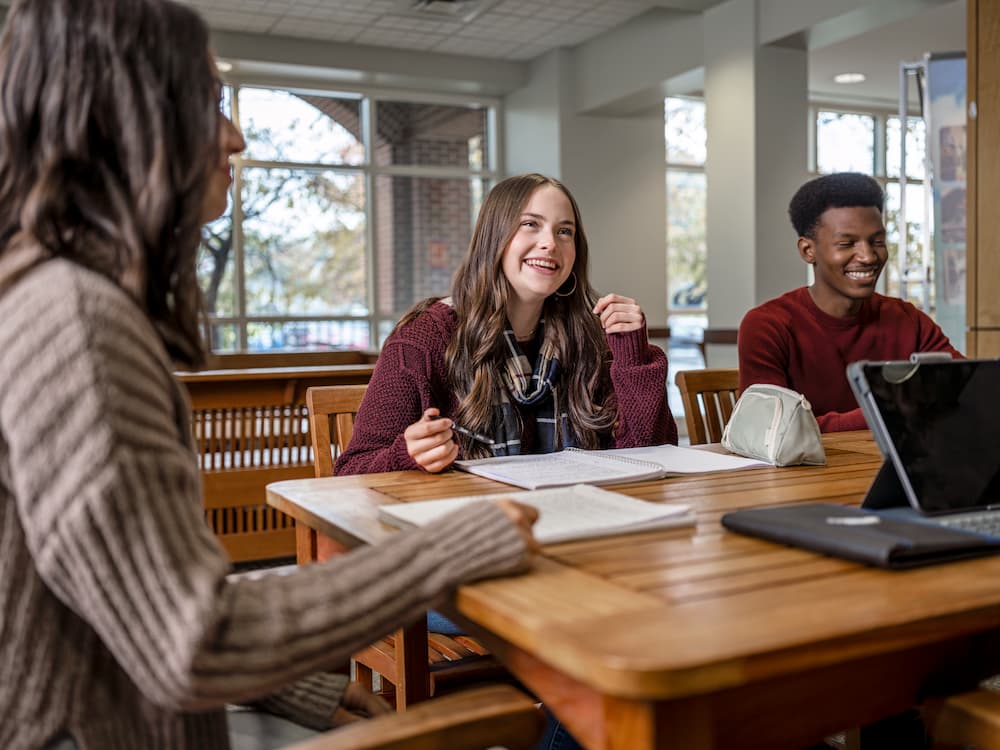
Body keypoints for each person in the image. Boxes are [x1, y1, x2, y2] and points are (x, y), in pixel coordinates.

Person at [0, 1, 540, 748]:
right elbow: (192, 641)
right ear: (129, 116)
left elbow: (124, 594)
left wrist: (302, 688)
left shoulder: (46, 297)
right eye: (212, 103)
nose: (237, 136)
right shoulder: (76, 325)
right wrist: (450, 548)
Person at [335, 172, 677, 476]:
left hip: (580, 524)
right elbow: (352, 469)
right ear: (494, 238)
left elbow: (652, 458)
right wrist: (409, 454)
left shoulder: (590, 337)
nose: (549, 243)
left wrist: (633, 358)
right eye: (530, 224)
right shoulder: (425, 337)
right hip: (474, 530)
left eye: (564, 231)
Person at [738, 172, 962, 433]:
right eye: (846, 243)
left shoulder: (908, 319)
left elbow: (965, 389)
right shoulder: (767, 326)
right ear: (807, 251)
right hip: (801, 473)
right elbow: (769, 430)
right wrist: (892, 410)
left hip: (894, 469)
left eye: (877, 241)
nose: (868, 256)